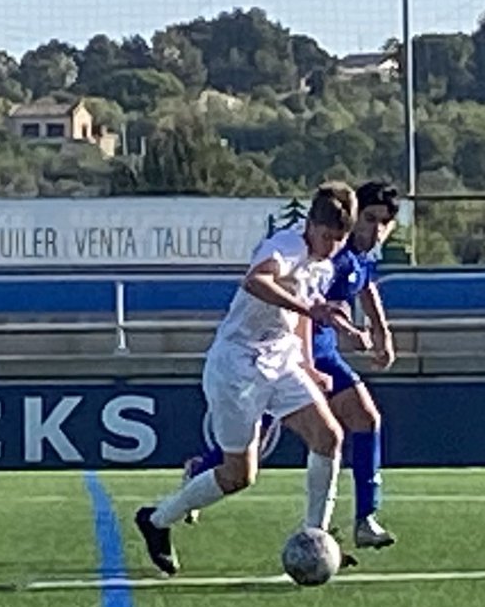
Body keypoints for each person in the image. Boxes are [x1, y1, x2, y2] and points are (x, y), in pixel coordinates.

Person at [134, 183, 357, 575]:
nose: (330, 247)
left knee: (329, 436)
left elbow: (302, 315)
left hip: (281, 360)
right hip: (237, 364)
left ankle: (317, 536)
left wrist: (307, 364)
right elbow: (256, 281)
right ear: (310, 225)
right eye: (326, 237)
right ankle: (156, 521)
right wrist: (311, 307)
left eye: (338, 241)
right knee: (238, 476)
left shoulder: (323, 264)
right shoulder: (286, 245)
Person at [180, 181, 400, 548]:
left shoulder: (359, 255)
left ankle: (362, 519)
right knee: (248, 449)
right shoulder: (329, 251)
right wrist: (344, 334)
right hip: (290, 354)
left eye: (385, 222)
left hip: (323, 353)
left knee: (364, 419)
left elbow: (365, 286)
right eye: (370, 218)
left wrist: (381, 330)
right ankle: (199, 475)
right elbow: (308, 303)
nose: (375, 229)